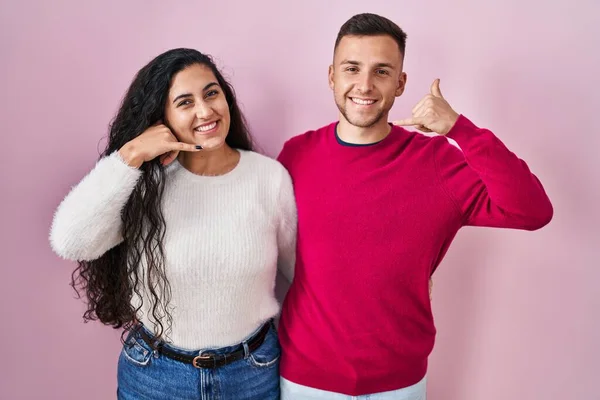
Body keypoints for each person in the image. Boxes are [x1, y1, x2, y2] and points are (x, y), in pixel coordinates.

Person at [277, 13, 553, 400]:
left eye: (382, 71)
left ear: (401, 83)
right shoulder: (296, 155)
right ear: (332, 77)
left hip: (399, 382)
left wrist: (460, 129)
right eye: (352, 68)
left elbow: (532, 210)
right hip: (305, 380)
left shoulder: (437, 161)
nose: (365, 85)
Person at [49, 48, 296, 400]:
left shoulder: (269, 178)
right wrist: (131, 156)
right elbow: (71, 241)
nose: (205, 110)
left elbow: (302, 273)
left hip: (252, 372)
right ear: (161, 117)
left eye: (211, 93)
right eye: (185, 102)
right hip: (156, 376)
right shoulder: (144, 183)